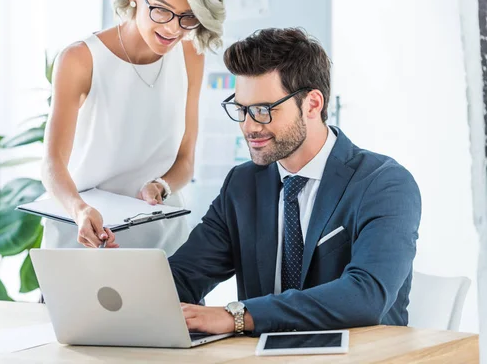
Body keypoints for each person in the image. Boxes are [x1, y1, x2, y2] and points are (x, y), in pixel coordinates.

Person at [169, 28, 422, 335]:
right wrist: (122, 288)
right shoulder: (242, 185)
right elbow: (183, 276)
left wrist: (238, 316)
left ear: (312, 104)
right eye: (241, 109)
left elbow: (365, 296)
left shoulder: (384, 184)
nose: (249, 127)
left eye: (263, 110)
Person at [41, 0, 225, 253]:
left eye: (187, 16)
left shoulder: (190, 56)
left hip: (159, 241)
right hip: (83, 237)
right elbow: (52, 165)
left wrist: (161, 186)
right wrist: (79, 210)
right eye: (161, 10)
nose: (173, 28)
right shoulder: (80, 59)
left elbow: (185, 159)